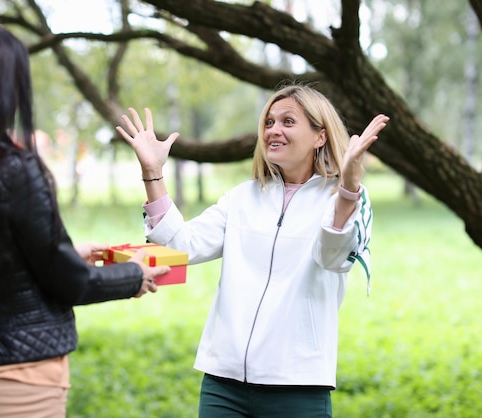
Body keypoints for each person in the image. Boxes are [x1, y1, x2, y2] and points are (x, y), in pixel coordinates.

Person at [0, 21, 169, 418]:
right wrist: (132, 276)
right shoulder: (16, 168)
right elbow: (67, 281)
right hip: (19, 385)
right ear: (4, 90)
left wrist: (66, 252)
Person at [116, 84, 389, 418]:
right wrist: (152, 173)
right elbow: (179, 245)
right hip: (223, 384)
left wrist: (347, 188)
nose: (274, 130)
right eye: (269, 122)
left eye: (288, 121)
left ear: (320, 136)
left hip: (297, 385)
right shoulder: (242, 198)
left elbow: (334, 259)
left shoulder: (346, 199)